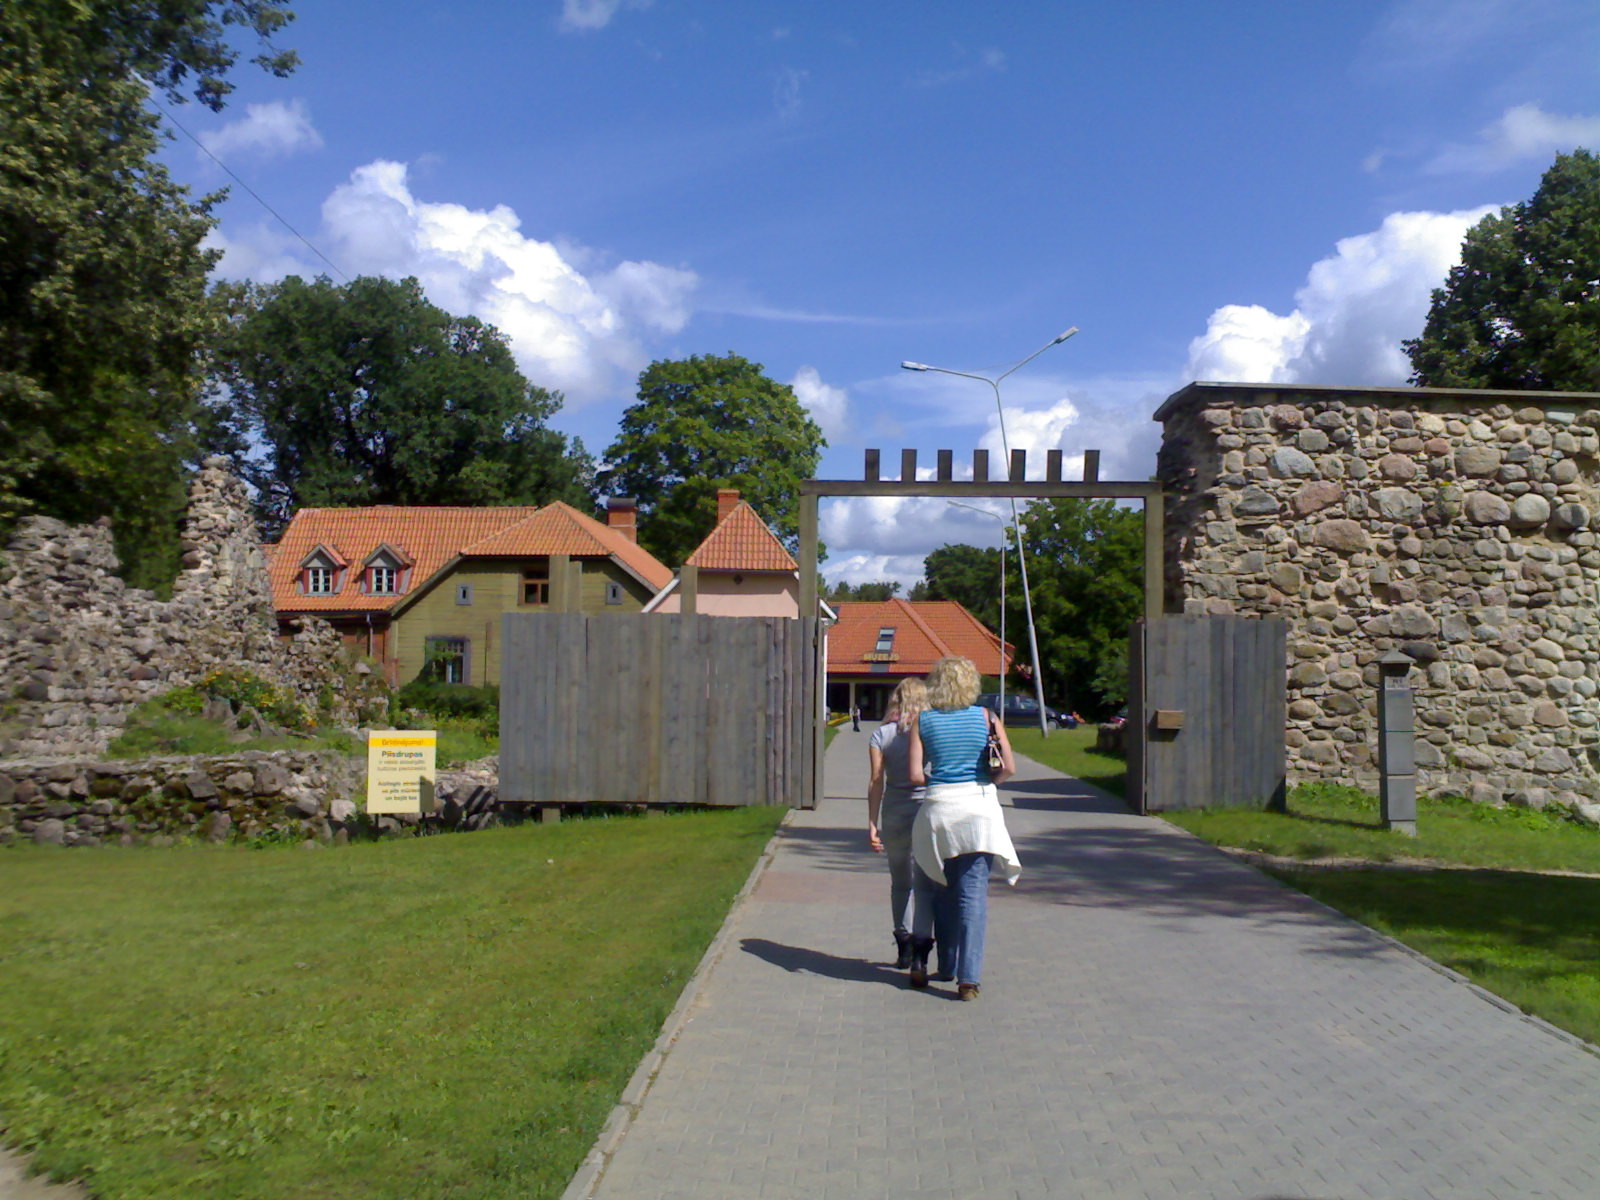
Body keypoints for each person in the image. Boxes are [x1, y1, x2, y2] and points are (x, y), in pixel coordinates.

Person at [907, 656, 1021, 1000]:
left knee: (942, 890)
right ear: (971, 684)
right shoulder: (988, 718)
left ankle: (948, 964)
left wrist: (940, 782)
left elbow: (914, 774)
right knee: (973, 897)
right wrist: (989, 781)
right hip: (979, 811)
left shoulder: (923, 720)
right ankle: (968, 980)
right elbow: (1009, 768)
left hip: (940, 812)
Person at [866, 678, 929, 969]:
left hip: (893, 809)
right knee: (926, 881)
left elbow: (876, 780)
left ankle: (902, 941)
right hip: (924, 807)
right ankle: (921, 940)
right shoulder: (929, 731)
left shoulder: (880, 735)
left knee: (900, 881)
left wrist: (872, 822)